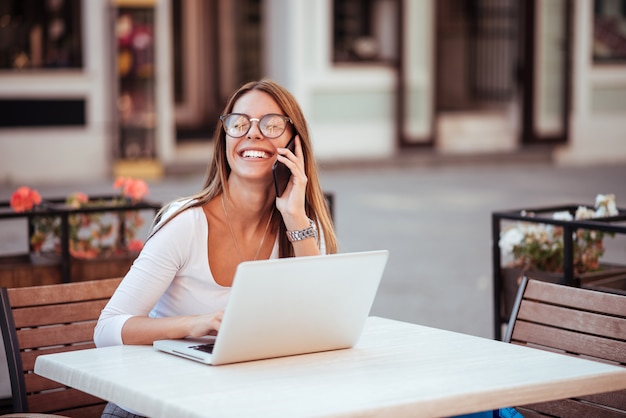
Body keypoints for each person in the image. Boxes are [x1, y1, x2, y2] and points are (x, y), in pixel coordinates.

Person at [95, 79, 338, 417]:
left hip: (237, 402)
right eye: (239, 123)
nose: (252, 134)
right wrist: (193, 324)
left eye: (271, 124)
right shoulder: (185, 224)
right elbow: (106, 329)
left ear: (295, 143)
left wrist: (295, 217)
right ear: (225, 139)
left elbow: (324, 327)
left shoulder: (300, 227)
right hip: (153, 406)